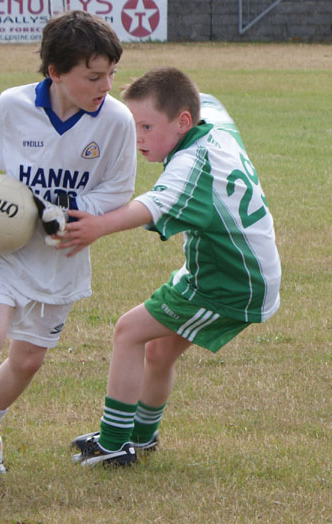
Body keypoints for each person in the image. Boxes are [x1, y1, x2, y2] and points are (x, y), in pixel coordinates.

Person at [0, 10, 136, 489]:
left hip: (62, 258)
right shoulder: (13, 106)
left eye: (111, 75)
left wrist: (70, 208)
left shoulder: (116, 121)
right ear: (55, 72)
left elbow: (118, 191)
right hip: (4, 250)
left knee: (27, 360)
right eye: (94, 76)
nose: (106, 86)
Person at [59, 67, 281, 467]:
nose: (137, 138)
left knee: (128, 331)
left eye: (146, 127)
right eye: (133, 126)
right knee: (159, 350)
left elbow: (153, 204)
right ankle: (141, 437)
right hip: (227, 268)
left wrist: (95, 227)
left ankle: (113, 443)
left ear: (182, 122)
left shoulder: (189, 166)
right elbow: (206, 99)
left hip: (231, 280)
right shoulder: (210, 123)